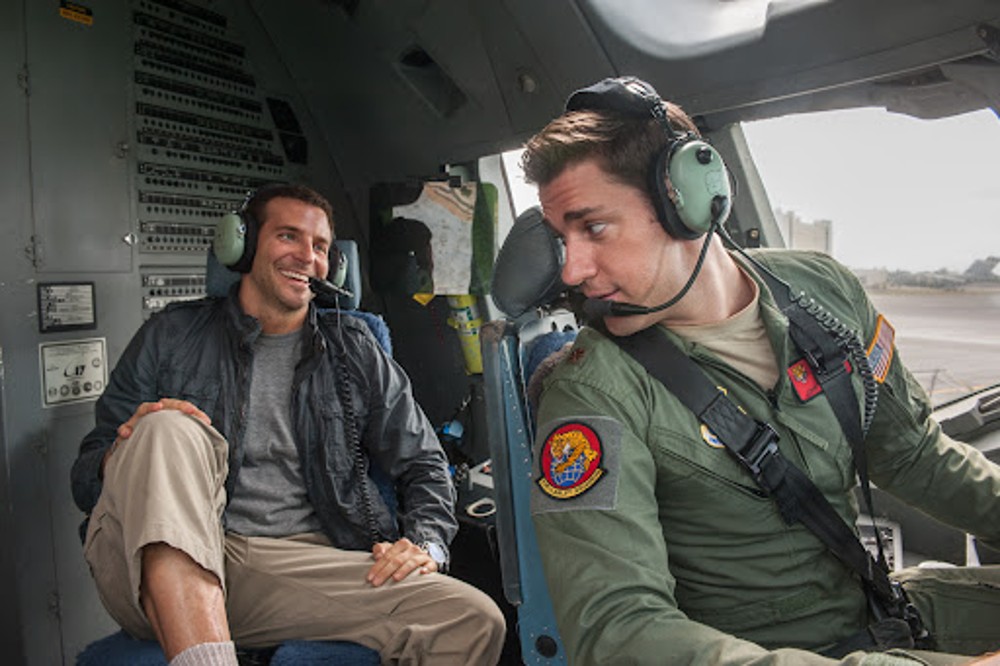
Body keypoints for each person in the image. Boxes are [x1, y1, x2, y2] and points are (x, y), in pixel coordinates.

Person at [519, 77, 1000, 665]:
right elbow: (619, 631)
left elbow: (912, 453)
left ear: (686, 201)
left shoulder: (822, 291)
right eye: (562, 238)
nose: (571, 271)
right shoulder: (593, 388)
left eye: (592, 228)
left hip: (880, 611)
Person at [71, 184, 505, 666]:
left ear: (333, 267)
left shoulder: (355, 348)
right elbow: (86, 476)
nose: (307, 256)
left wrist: (424, 542)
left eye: (320, 247)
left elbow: (424, 462)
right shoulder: (169, 337)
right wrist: (130, 452)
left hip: (303, 564)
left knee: (473, 618)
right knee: (167, 428)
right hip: (170, 555)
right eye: (288, 237)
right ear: (241, 244)